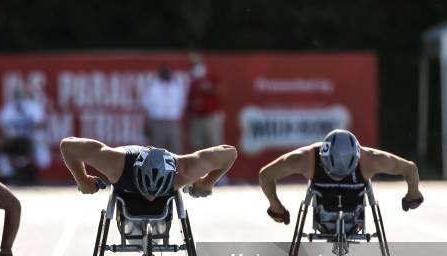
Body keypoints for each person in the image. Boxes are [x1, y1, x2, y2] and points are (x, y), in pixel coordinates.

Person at [259, 129, 424, 224]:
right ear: (322, 156)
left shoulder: (370, 159)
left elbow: (410, 168)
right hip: (324, 209)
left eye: (343, 173)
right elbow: (265, 174)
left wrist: (277, 209)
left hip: (353, 211)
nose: (337, 178)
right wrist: (413, 195)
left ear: (357, 157)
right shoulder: (305, 158)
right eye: (332, 172)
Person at [59, 137, 237, 201]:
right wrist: (81, 180)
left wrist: (208, 183)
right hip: (127, 163)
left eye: (154, 193)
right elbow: (67, 146)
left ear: (174, 176)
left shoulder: (184, 170)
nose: (151, 199)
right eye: (147, 192)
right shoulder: (115, 163)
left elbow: (230, 153)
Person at [0, 88, 48, 183]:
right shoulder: (9, 108)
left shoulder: (33, 107)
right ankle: (7, 177)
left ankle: (40, 177)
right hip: (14, 140)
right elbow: (1, 125)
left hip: (31, 139)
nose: (19, 98)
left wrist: (28, 128)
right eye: (17, 96)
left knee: (42, 153)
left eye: (21, 96)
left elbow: (42, 124)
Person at [141, 64, 187, 154]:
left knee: (175, 151)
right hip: (158, 123)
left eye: (168, 72)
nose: (166, 74)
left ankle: (175, 168)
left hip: (173, 123)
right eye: (164, 72)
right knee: (157, 151)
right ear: (159, 74)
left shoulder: (177, 87)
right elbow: (147, 107)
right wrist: (147, 124)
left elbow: (182, 106)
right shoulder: (153, 87)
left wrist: (180, 123)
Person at [187, 55, 225, 151]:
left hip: (211, 117)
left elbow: (221, 91)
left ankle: (216, 166)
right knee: (198, 147)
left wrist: (209, 88)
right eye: (193, 64)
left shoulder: (210, 76)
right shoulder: (191, 79)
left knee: (214, 146)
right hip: (196, 118)